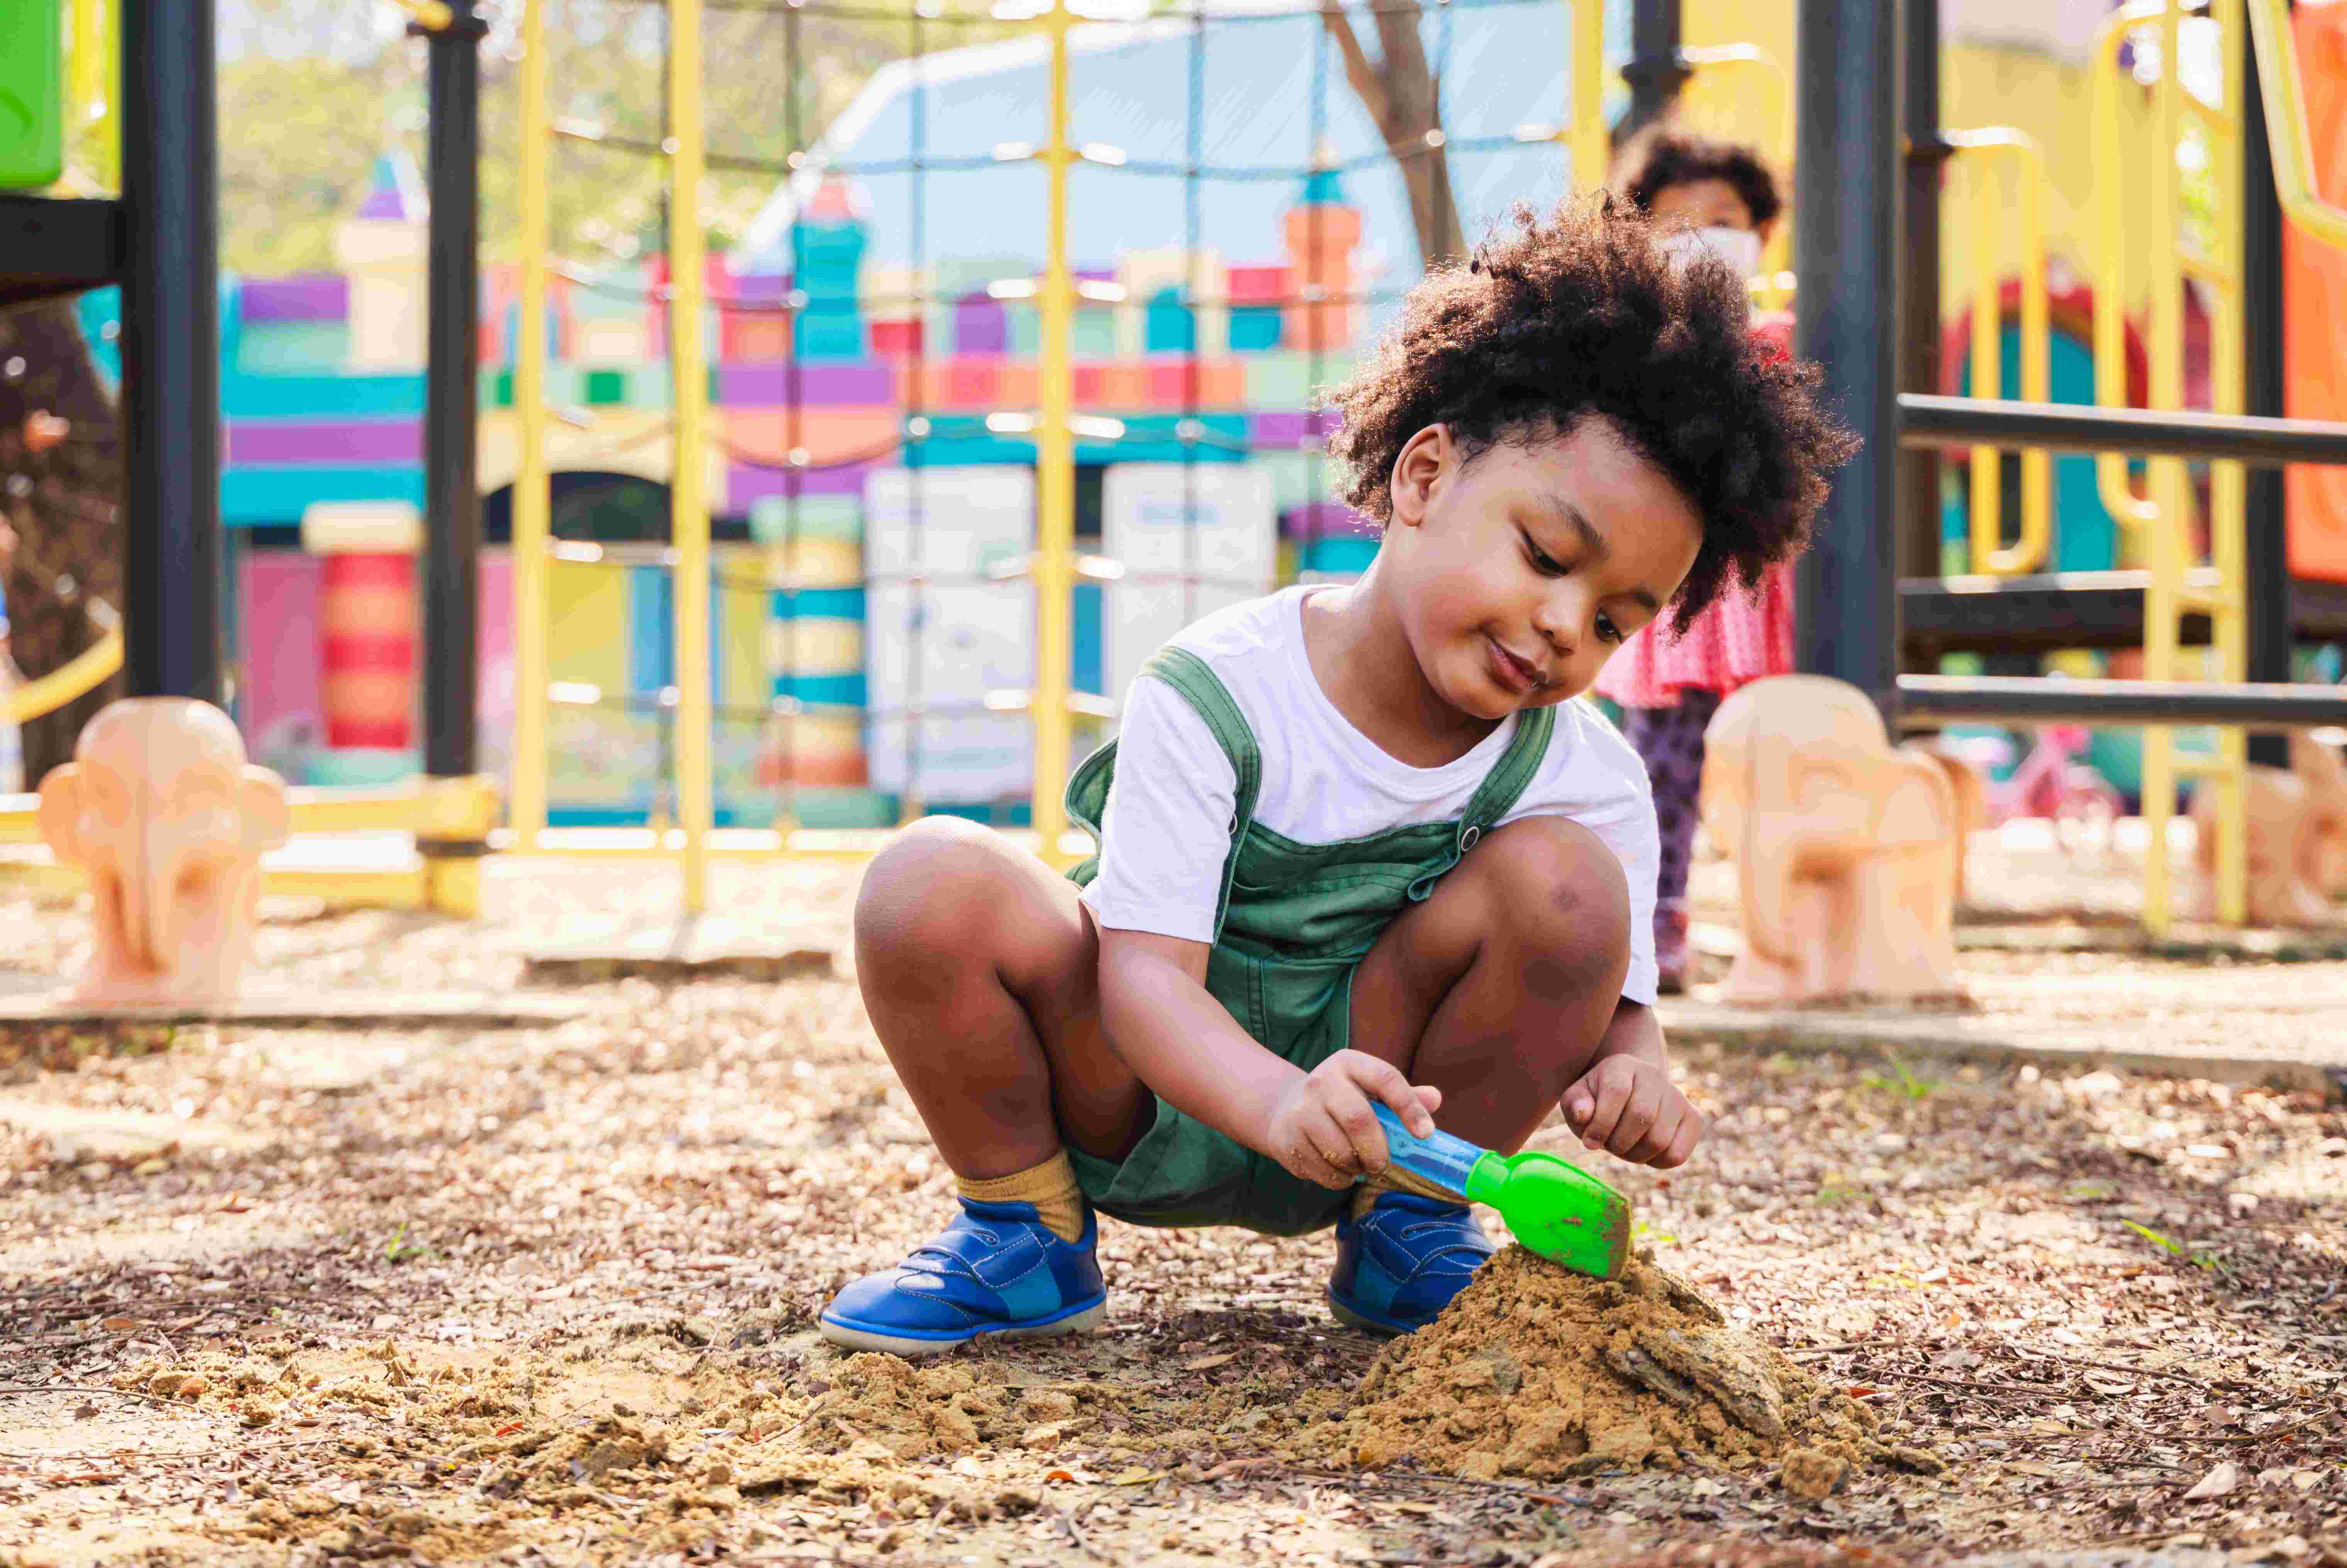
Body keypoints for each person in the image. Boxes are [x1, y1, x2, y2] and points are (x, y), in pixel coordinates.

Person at [821, 200, 1854, 1356]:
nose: (1567, 625)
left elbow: (1623, 1022)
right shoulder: (1221, 689)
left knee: (1571, 885)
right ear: (1422, 476)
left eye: (1616, 618)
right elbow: (1145, 983)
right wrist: (1274, 1100)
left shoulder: (1585, 775)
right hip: (1138, 1086)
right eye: (1547, 556)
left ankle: (1412, 1235)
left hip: (1395, 1136)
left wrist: (1639, 1081)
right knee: (926, 882)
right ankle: (1023, 1236)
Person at [1593, 124, 1797, 994]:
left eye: (1724, 220)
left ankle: (1779, 933)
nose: (1704, 239)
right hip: (1675, 601)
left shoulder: (1783, 339)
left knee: (1776, 771)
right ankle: (1654, 925)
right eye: (1677, 225)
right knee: (1660, 774)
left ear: (1759, 234)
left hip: (1761, 599)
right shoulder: (1641, 345)